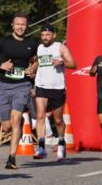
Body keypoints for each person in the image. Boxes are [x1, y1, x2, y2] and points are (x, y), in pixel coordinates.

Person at [0, 14, 38, 170]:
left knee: (15, 118)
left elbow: (35, 61)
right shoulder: (3, 42)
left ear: (27, 26)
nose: (20, 27)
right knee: (7, 127)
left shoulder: (31, 44)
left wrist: (33, 69)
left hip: (22, 85)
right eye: (17, 24)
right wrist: (0, 65)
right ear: (12, 25)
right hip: (3, 86)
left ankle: (11, 158)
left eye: (23, 25)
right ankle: (17, 125)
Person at [32, 24, 76, 160]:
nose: (45, 37)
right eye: (43, 35)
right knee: (40, 115)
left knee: (58, 120)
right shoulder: (39, 48)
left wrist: (61, 62)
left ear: (53, 35)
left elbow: (74, 64)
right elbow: (38, 62)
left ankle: (61, 142)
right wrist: (31, 70)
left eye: (48, 35)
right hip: (41, 86)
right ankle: (41, 147)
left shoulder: (60, 47)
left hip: (57, 88)